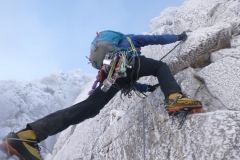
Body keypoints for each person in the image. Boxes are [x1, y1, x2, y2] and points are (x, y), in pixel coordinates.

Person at [0, 31, 202, 160]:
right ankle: (175, 98)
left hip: (112, 78)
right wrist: (178, 37)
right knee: (160, 66)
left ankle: (26, 136)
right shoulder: (129, 39)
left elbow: (126, 81)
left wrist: (147, 89)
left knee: (87, 108)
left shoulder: (108, 62)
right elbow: (156, 40)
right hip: (129, 64)